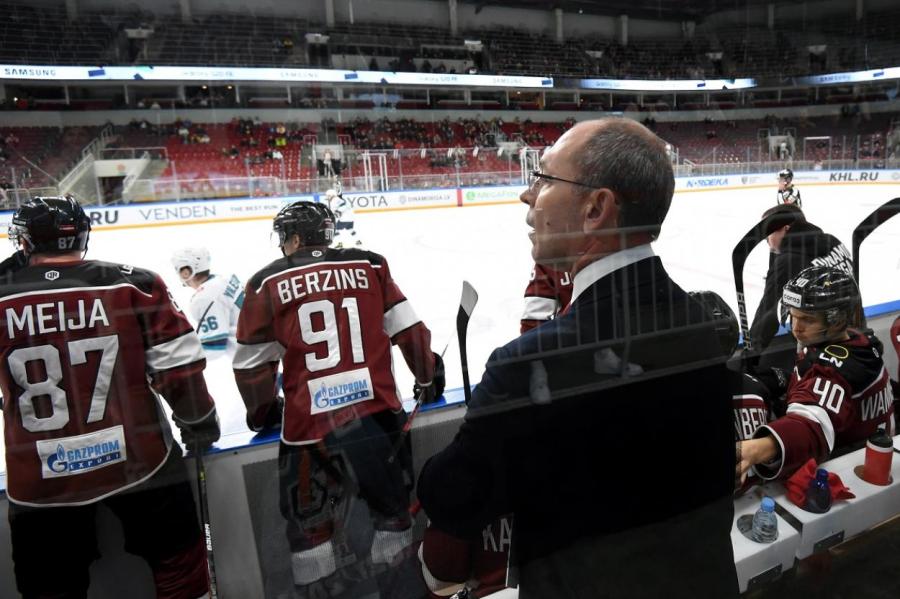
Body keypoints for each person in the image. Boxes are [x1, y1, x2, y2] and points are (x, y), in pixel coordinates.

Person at [417, 118, 737, 598]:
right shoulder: (699, 321)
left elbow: (452, 498)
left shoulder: (528, 364)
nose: (528, 196)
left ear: (595, 209)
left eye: (544, 178)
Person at [0, 196, 219, 598]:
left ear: (26, 241)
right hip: (140, 462)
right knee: (180, 568)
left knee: (49, 587)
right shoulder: (135, 284)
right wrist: (200, 421)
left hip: (38, 479)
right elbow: (180, 371)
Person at [232, 201, 442, 595]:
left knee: (311, 530)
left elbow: (251, 369)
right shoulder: (372, 265)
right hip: (377, 419)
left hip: (307, 431)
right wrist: (427, 375)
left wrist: (263, 412)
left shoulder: (265, 282)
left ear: (292, 238)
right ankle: (395, 589)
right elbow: (409, 330)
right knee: (392, 518)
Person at [739, 266, 893, 481]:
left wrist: (759, 448)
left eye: (807, 319)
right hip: (862, 443)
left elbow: (811, 422)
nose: (796, 327)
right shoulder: (859, 342)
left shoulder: (832, 371)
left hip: (841, 466)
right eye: (793, 316)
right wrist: (785, 379)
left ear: (838, 320)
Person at [750, 203, 853, 356]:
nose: (765, 238)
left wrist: (751, 353)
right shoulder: (833, 241)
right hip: (852, 334)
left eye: (767, 231)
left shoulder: (788, 262)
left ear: (785, 228)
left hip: (819, 349)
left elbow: (767, 313)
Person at [171, 246, 244, 355]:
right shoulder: (224, 279)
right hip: (261, 344)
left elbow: (214, 347)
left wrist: (178, 356)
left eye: (180, 269)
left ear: (187, 272)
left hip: (250, 358)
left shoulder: (204, 298)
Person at [520, 262, 572, 333]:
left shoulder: (549, 257)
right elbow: (533, 321)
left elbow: (533, 322)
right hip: (571, 333)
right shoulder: (548, 258)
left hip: (572, 332)